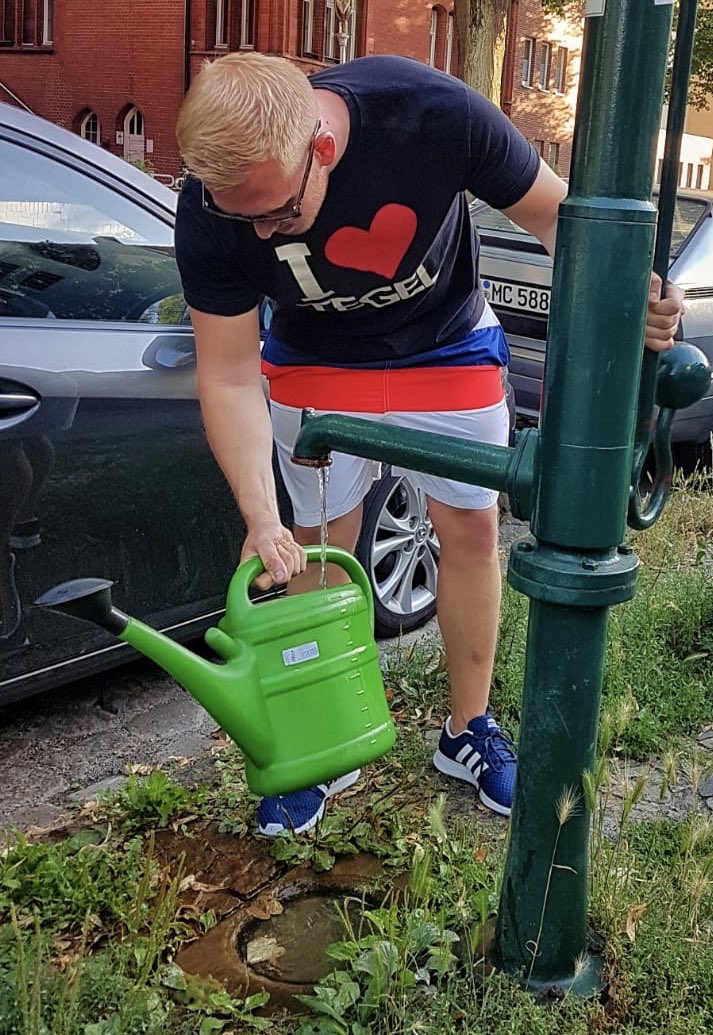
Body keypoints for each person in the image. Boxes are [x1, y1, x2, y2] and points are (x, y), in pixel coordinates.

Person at [174, 53, 682, 837]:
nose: (261, 234)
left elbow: (555, 216)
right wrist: (257, 514)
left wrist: (630, 295)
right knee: (311, 549)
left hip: (446, 346)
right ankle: (325, 740)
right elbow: (232, 374)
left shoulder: (431, 113)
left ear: (323, 148)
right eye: (242, 219)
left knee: (473, 530)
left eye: (274, 213)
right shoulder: (211, 206)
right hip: (313, 361)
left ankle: (467, 729)